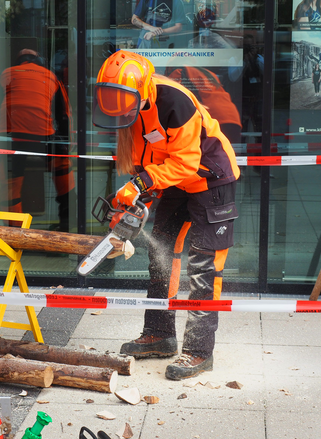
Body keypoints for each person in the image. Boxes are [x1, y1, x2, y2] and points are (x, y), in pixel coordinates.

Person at [92, 51, 240, 380]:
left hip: (210, 178)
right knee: (161, 251)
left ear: (143, 90)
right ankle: (160, 335)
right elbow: (150, 159)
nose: (121, 106)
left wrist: (142, 183)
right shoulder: (131, 110)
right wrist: (135, 197)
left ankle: (200, 351)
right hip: (175, 180)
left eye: (126, 99)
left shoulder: (176, 102)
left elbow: (186, 162)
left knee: (204, 264)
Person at [0, 49, 75, 231]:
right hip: (43, 134)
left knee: (10, 183)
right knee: (63, 171)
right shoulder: (51, 76)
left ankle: (16, 232)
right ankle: (67, 225)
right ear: (38, 61)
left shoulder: (6, 73)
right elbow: (64, 114)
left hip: (12, 136)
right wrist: (65, 145)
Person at [164, 63, 242, 143]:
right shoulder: (208, 73)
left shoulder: (179, 71)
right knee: (230, 152)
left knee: (209, 152)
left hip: (212, 116)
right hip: (231, 115)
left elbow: (171, 95)